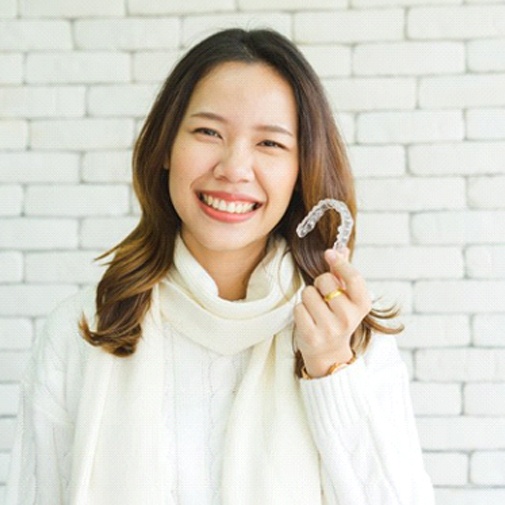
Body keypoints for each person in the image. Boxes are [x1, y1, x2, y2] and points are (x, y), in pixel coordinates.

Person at [5, 28, 435, 504]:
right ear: (166, 147)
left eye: (270, 144)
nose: (234, 167)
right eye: (208, 132)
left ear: (300, 170)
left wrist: (331, 370)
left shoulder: (350, 337)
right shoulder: (81, 331)